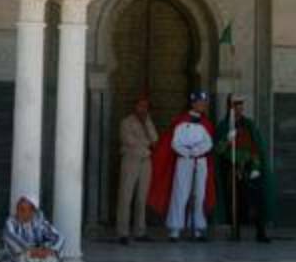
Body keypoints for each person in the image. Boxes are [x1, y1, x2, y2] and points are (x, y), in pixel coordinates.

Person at [149, 92, 216, 242]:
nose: (203, 105)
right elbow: (174, 142)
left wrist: (197, 151)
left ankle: (198, 228)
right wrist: (187, 152)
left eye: (204, 103)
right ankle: (175, 229)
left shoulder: (206, 123)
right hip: (184, 161)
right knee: (181, 192)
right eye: (200, 102)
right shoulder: (181, 121)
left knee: (199, 195)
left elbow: (209, 143)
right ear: (193, 104)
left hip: (200, 162)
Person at [214, 95, 274, 243]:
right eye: (236, 105)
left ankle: (260, 232)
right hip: (232, 168)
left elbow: (256, 147)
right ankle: (236, 232)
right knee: (235, 201)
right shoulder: (224, 126)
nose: (239, 109)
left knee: (256, 200)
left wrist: (256, 166)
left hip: (249, 168)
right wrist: (227, 139)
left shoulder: (249, 125)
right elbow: (218, 150)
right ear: (230, 107)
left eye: (241, 105)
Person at [0, 195, 65, 262]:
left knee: (53, 254)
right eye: (19, 209)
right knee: (13, 253)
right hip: (22, 254)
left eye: (24, 209)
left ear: (32, 211)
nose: (20, 212)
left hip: (36, 254)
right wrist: (31, 250)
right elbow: (10, 238)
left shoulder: (40, 223)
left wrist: (47, 249)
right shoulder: (11, 222)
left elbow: (58, 237)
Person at [115, 96, 159, 244]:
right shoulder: (126, 122)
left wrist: (147, 127)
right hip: (131, 160)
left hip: (145, 162)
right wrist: (146, 143)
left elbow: (155, 140)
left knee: (142, 198)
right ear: (135, 107)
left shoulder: (148, 122)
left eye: (146, 107)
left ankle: (140, 231)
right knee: (126, 197)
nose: (143, 109)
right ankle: (123, 233)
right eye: (141, 106)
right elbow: (129, 140)